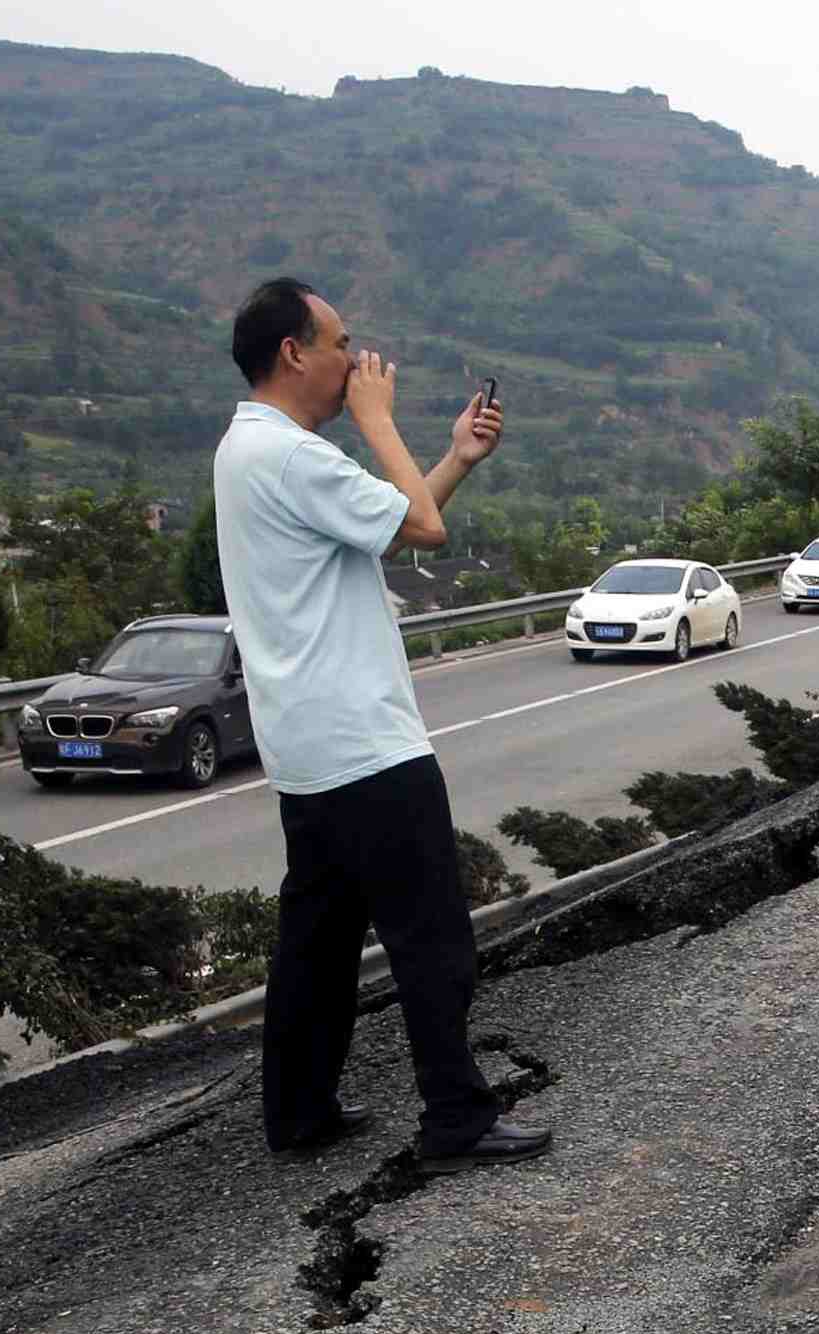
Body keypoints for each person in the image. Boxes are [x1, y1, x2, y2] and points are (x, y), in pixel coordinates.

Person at [216, 275, 550, 1170]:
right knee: (431, 936)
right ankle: (456, 1119)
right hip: (366, 742)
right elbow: (427, 531)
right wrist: (379, 422)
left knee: (317, 942)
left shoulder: (248, 448)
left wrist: (457, 461)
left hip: (307, 743)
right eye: (339, 345)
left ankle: (299, 1112)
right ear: (293, 352)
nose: (354, 362)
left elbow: (401, 522)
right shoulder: (294, 454)